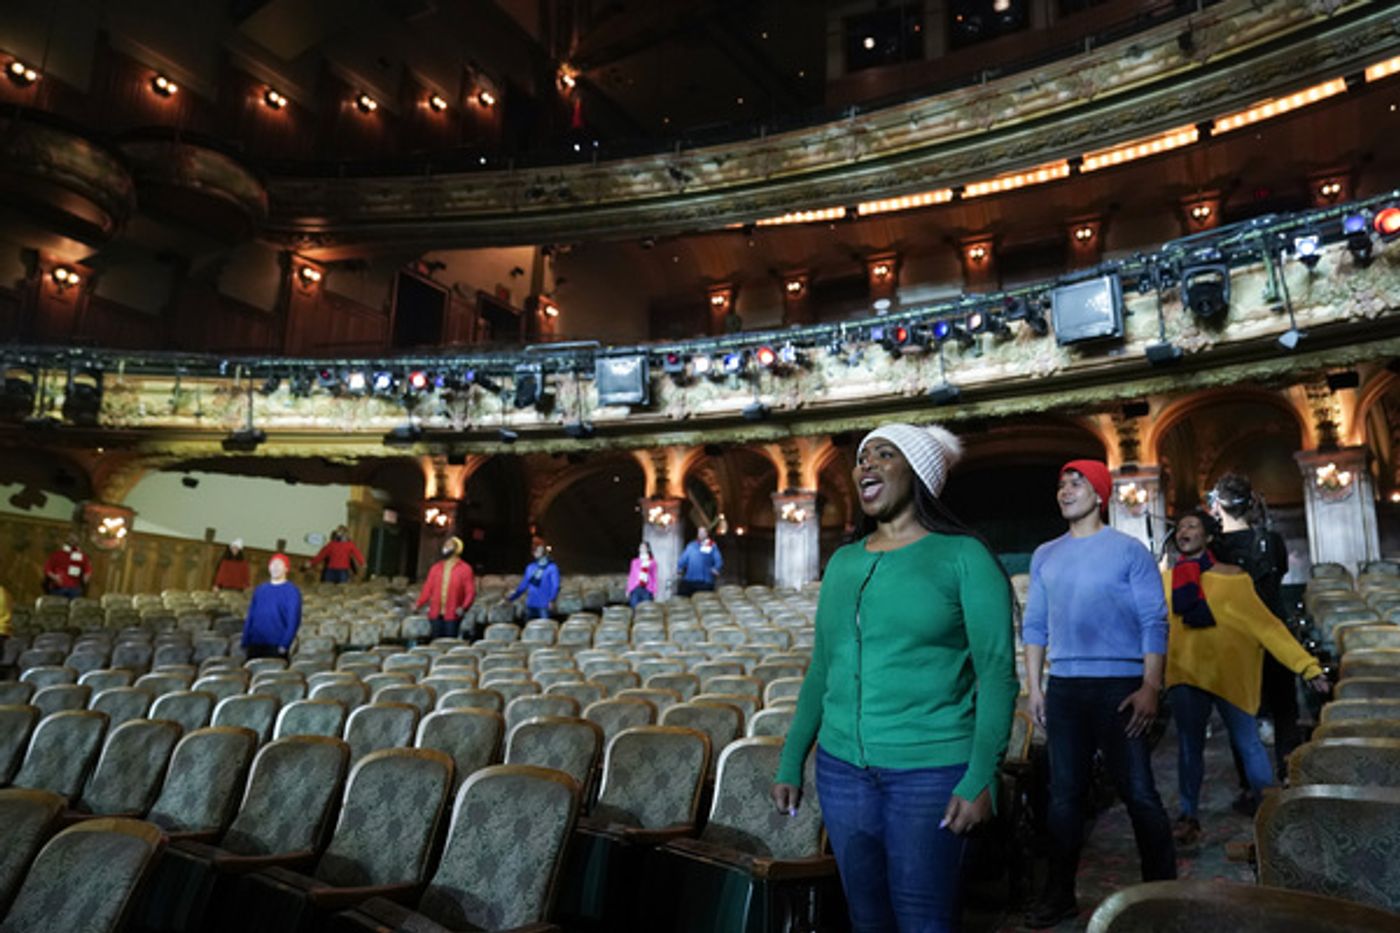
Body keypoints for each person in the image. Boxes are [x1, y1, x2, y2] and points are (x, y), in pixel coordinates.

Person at [772, 423, 1018, 933]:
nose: (866, 465)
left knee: (925, 922)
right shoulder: (842, 562)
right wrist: (792, 759)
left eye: (885, 454)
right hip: (842, 773)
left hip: (931, 773)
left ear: (919, 474)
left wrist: (980, 777)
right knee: (866, 920)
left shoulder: (964, 556)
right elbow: (823, 667)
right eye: (862, 458)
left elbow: (997, 676)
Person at [1022, 460, 1177, 929]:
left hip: (1121, 686)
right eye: (1061, 483)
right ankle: (1059, 894)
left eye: (1077, 483)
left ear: (1101, 494)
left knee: (1139, 793)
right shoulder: (1045, 553)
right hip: (1066, 687)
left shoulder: (1129, 552)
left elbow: (1155, 621)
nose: (1065, 490)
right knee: (1063, 798)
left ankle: (1162, 893)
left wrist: (1151, 685)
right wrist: (1036, 687)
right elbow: (1034, 624)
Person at [1164, 509, 1328, 846]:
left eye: (1192, 526)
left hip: (1230, 675)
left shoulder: (1236, 579)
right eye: (1180, 527)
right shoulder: (1165, 580)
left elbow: (1267, 627)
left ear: (1208, 536)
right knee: (1188, 748)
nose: (1184, 531)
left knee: (1248, 743)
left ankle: (1272, 815)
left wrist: (1307, 666)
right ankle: (1188, 815)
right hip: (1186, 674)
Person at [1208, 472, 1303, 785]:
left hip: (1235, 638)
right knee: (1285, 710)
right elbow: (1281, 574)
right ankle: (1290, 777)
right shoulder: (1272, 540)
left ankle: (1251, 787)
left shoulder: (1214, 549)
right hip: (1274, 629)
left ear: (1217, 505)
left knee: (1242, 717)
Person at [242, 553, 302, 659]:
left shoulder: (292, 591)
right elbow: (251, 615)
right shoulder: (260, 589)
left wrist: (285, 644)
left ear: (286, 569)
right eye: (273, 564)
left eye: (279, 564)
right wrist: (245, 639)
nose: (275, 567)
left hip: (276, 645)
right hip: (255, 642)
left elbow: (293, 620)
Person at [416, 536, 477, 640]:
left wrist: (464, 607)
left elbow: (470, 592)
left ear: (457, 549)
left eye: (449, 545)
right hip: (435, 613)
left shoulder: (465, 569)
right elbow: (427, 588)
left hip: (453, 614)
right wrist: (418, 603)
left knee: (450, 642)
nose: (445, 547)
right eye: (445, 545)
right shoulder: (435, 568)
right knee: (435, 642)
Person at [503, 541, 560, 620]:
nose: (536, 552)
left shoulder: (551, 567)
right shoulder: (531, 567)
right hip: (532, 603)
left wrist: (552, 600)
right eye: (535, 550)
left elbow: (555, 586)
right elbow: (523, 585)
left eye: (539, 550)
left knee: (543, 628)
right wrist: (511, 598)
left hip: (544, 604)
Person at [676, 526, 722, 596]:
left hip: (705, 581)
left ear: (707, 534)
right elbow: (683, 559)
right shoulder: (691, 545)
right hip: (690, 580)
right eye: (699, 532)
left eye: (702, 532)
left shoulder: (711, 545)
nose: (700, 534)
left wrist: (716, 568)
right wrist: (679, 568)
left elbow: (718, 559)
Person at [43, 532, 92, 597]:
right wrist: (54, 577)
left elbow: (87, 569)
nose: (72, 541)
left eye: (74, 540)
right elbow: (47, 569)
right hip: (59, 587)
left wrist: (86, 577)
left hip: (75, 587)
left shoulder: (82, 556)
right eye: (71, 539)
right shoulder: (57, 555)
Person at [627, 542, 659, 607]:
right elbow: (631, 576)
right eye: (641, 547)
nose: (642, 549)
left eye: (644, 547)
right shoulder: (634, 562)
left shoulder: (652, 563)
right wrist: (628, 589)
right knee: (634, 607)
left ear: (648, 549)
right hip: (636, 587)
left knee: (646, 608)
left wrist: (654, 590)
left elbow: (654, 577)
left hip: (647, 588)